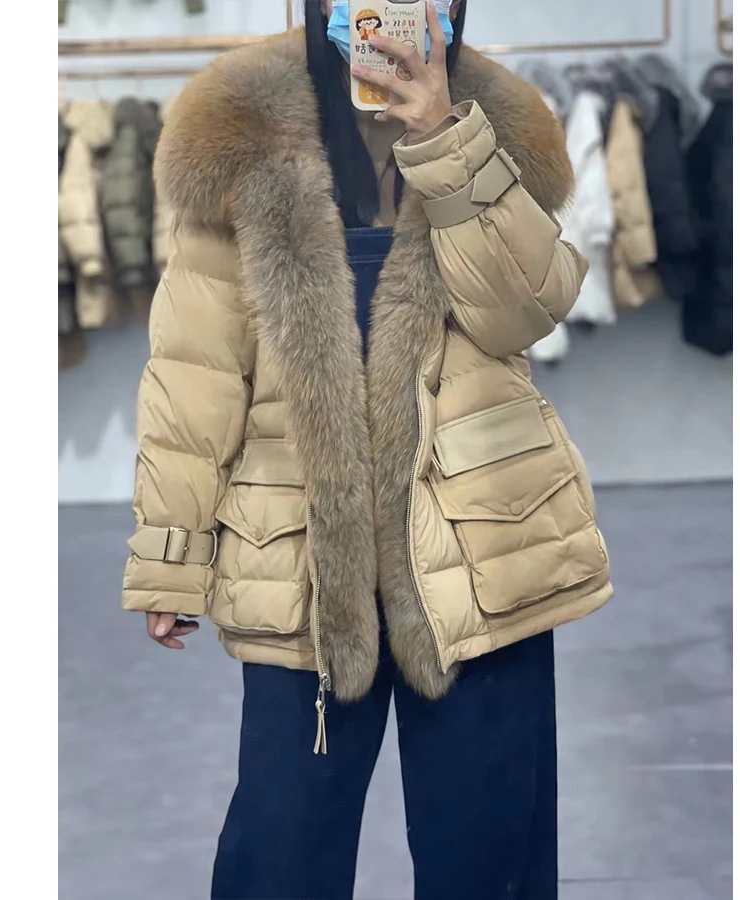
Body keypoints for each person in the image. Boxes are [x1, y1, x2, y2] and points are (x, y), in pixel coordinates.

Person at [121, 1, 612, 897]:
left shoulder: (501, 119)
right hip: (301, 557)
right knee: (281, 853)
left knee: (488, 853)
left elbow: (527, 311)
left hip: (479, 546)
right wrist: (170, 553)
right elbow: (195, 368)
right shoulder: (239, 121)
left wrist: (448, 139)